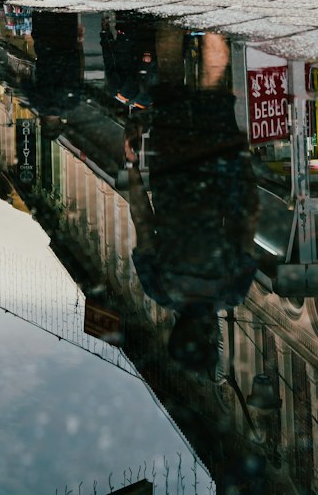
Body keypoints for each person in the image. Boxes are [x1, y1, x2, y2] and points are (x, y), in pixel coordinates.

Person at [122, 28, 258, 375]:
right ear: (175, 331)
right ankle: (170, 18)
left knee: (213, 84)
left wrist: (241, 162)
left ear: (211, 335)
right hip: (172, 165)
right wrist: (131, 167)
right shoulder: (159, 289)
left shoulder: (233, 292)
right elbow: (143, 221)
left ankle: (212, 21)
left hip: (218, 168)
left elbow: (246, 219)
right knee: (170, 79)